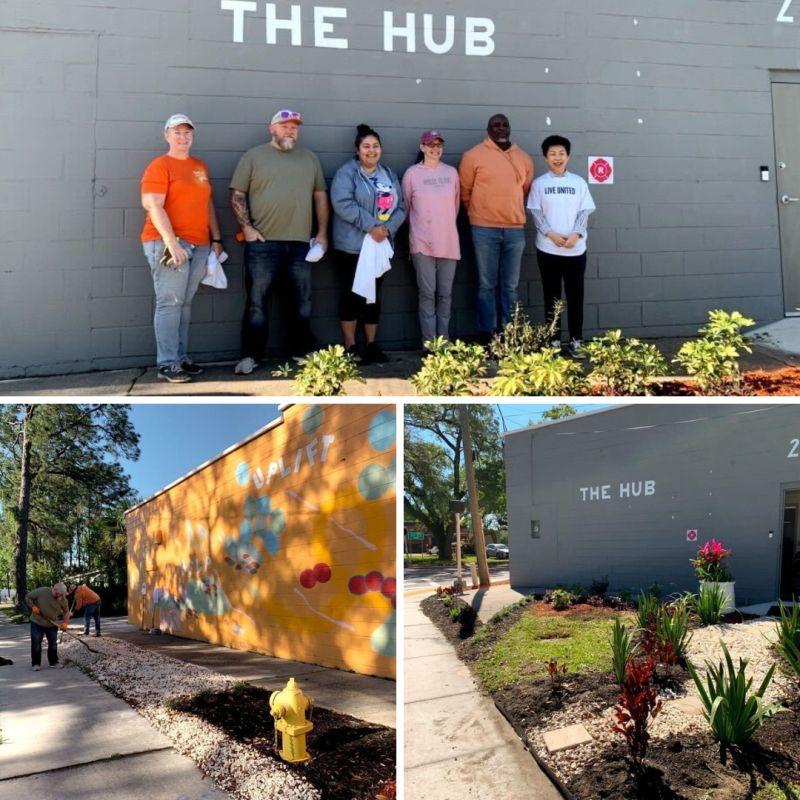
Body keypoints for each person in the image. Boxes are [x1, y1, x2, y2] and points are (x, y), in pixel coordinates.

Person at [229, 109, 330, 374]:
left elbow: (320, 196)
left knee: (302, 301)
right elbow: (238, 193)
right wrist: (247, 228)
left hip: (300, 244)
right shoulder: (253, 156)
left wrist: (322, 233)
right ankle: (251, 355)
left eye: (294, 127)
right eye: (284, 126)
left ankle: (301, 352)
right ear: (271, 128)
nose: (290, 130)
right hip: (263, 245)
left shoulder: (310, 159)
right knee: (257, 302)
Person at [141, 114, 223, 383]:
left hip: (199, 244)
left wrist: (216, 238)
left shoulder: (199, 167)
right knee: (170, 302)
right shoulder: (159, 166)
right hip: (169, 243)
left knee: (184, 303)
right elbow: (154, 205)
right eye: (177, 132)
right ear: (167, 135)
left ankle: (180, 357)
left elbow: (207, 203)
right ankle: (167, 363)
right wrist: (171, 242)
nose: (183, 136)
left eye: (187, 132)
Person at [330, 124, 406, 364]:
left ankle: (371, 345)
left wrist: (387, 229)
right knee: (352, 295)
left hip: (380, 245)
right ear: (357, 150)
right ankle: (351, 346)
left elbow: (401, 206)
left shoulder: (388, 174)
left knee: (374, 297)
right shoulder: (347, 173)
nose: (371, 151)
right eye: (366, 146)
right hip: (353, 246)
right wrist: (371, 226)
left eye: (375, 146)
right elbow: (342, 203)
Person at [459, 114, 534, 344]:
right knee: (486, 285)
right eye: (495, 125)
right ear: (488, 129)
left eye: (504, 125)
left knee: (510, 286)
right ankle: (488, 334)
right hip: (484, 230)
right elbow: (465, 192)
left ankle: (509, 333)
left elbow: (526, 191)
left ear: (510, 127)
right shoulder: (473, 156)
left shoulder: (523, 158)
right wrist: (479, 215)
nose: (500, 129)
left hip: (514, 230)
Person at [527, 135, 596, 356]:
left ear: (568, 156)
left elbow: (584, 211)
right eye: (552, 154)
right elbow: (536, 213)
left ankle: (576, 340)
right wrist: (551, 234)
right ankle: (553, 341)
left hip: (576, 249)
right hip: (548, 249)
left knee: (576, 296)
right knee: (552, 296)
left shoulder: (578, 182)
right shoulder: (539, 184)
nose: (557, 158)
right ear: (545, 157)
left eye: (561, 154)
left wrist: (576, 233)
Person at [402, 130, 461, 347]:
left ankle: (443, 342)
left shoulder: (452, 173)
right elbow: (407, 207)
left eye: (438, 145)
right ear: (422, 147)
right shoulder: (412, 174)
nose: (435, 148)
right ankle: (429, 344)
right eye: (430, 145)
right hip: (422, 243)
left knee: (445, 294)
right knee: (427, 293)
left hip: (448, 242)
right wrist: (420, 231)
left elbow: (455, 206)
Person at [25, 582, 70, 671]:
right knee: (36, 643)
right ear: (54, 589)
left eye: (61, 595)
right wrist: (33, 606)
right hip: (37, 622)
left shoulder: (62, 599)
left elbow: (66, 612)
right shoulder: (43, 591)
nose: (59, 596)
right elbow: (28, 597)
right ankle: (36, 664)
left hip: (52, 624)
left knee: (53, 644)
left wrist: (65, 623)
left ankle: (53, 662)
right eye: (58, 594)